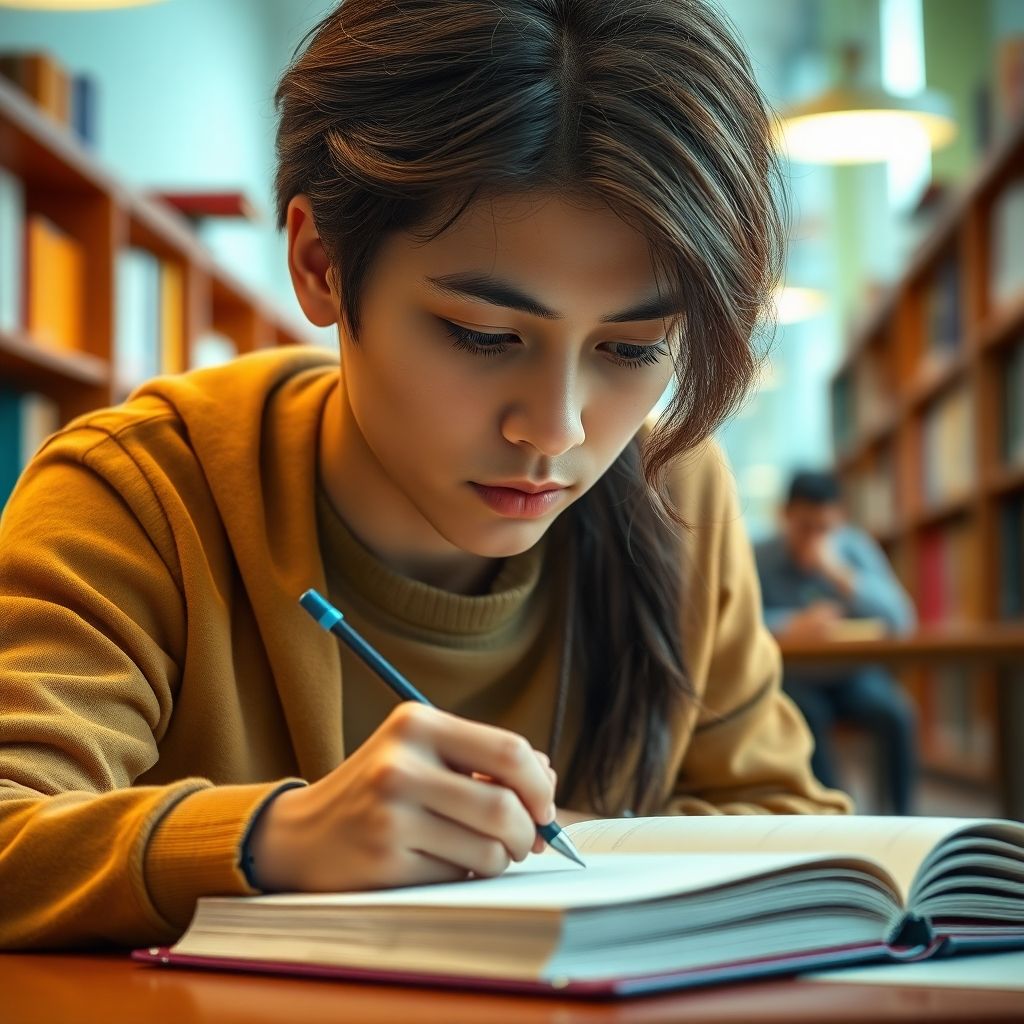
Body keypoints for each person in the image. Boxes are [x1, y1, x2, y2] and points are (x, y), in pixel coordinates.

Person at [0, 0, 850, 951]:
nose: (556, 429)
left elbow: (779, 811)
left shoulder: (673, 492)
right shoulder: (143, 493)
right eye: (484, 336)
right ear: (319, 262)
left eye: (634, 347)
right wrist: (275, 838)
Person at [755, 470, 917, 814]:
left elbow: (901, 619)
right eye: (804, 527)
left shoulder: (855, 549)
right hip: (796, 678)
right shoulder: (760, 555)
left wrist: (839, 573)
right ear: (785, 515)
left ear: (840, 519)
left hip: (855, 675)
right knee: (804, 717)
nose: (814, 538)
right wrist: (790, 624)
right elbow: (740, 620)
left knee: (896, 714)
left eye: (824, 528)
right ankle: (838, 817)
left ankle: (903, 816)